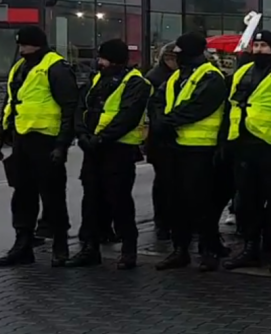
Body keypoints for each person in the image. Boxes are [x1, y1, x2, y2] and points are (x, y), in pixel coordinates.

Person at [67, 39, 151, 269]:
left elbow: (128, 115)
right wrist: (83, 135)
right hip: (94, 149)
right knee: (91, 199)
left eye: (102, 58)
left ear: (112, 59)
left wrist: (101, 138)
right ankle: (89, 247)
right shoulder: (96, 80)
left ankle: (128, 249)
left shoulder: (136, 83)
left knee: (119, 200)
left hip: (119, 149)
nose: (99, 62)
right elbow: (81, 108)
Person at [0, 26, 78, 267]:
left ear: (37, 44)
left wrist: (62, 145)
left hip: (47, 141)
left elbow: (69, 107)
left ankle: (60, 245)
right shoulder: (19, 68)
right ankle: (23, 244)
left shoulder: (56, 67)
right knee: (22, 195)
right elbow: (11, 104)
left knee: (52, 196)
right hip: (22, 140)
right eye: (20, 45)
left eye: (25, 45)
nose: (21, 49)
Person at [222, 30, 271, 274]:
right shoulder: (242, 72)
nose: (258, 49)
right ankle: (250, 247)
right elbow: (231, 105)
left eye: (264, 45)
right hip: (244, 144)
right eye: (256, 45)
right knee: (247, 202)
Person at [151, 32, 227, 272]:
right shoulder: (176, 77)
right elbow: (157, 101)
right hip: (175, 147)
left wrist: (167, 122)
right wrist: (160, 123)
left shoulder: (211, 76)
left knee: (202, 204)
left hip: (201, 149)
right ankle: (180, 250)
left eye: (181, 53)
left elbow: (198, 106)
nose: (177, 57)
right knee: (176, 203)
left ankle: (208, 251)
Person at [145, 42, 178, 241]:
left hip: (167, 138)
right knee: (164, 183)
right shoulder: (156, 78)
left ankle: (170, 221)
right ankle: (163, 223)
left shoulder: (162, 76)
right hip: (161, 139)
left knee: (171, 183)